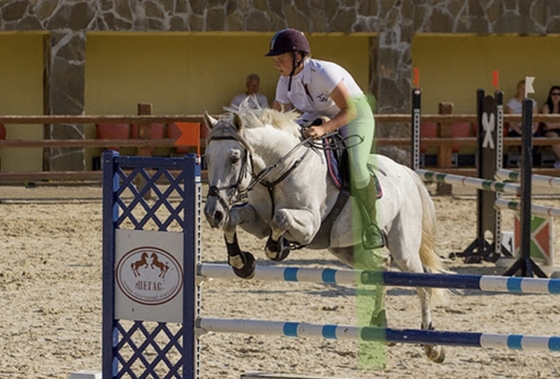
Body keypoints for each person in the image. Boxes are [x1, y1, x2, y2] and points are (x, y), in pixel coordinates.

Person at [265, 28, 384, 250]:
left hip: (353, 115)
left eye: (281, 59)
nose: (277, 64)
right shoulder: (285, 81)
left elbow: (349, 110)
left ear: (298, 57)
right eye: (276, 60)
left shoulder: (322, 72)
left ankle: (371, 224)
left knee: (356, 166)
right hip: (317, 116)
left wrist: (324, 129)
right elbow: (278, 118)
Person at [541, 85, 560, 168]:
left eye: (559, 94)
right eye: (554, 94)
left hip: (554, 129)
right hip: (548, 132)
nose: (556, 96)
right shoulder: (546, 107)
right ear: (550, 95)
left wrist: (553, 125)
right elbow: (547, 125)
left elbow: (551, 125)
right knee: (555, 139)